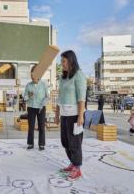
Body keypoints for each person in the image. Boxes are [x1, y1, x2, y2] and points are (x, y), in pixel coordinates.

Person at [55, 50, 87, 181]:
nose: (61, 63)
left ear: (71, 61)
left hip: (75, 115)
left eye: (63, 61)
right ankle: (72, 163)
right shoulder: (63, 78)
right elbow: (59, 97)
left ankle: (77, 168)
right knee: (65, 141)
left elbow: (81, 98)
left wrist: (80, 116)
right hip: (64, 114)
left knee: (75, 143)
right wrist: (57, 115)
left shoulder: (79, 75)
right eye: (61, 61)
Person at [24, 65, 49, 151]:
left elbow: (47, 97)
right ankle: (30, 143)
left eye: (34, 75)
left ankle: (41, 144)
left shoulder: (43, 84)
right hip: (31, 107)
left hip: (41, 108)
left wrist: (43, 104)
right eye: (31, 75)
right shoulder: (28, 85)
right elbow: (25, 98)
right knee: (31, 126)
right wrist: (29, 96)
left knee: (41, 126)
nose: (32, 77)